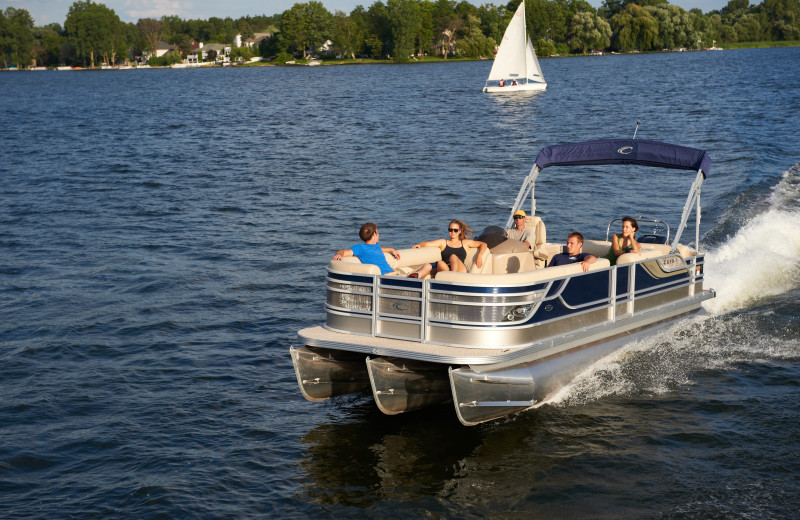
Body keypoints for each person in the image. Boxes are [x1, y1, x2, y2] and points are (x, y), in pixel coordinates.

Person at [409, 219, 487, 278]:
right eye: (450, 230)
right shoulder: (443, 242)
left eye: (455, 230)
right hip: (446, 269)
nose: (452, 232)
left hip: (460, 270)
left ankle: (452, 277)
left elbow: (483, 244)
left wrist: (479, 256)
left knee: (453, 256)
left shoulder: (465, 243)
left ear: (460, 231)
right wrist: (420, 245)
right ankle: (413, 278)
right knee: (438, 263)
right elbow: (426, 243)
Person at [332, 222, 400, 275]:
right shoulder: (361, 248)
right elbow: (343, 252)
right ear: (374, 235)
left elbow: (378, 249)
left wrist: (391, 250)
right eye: (377, 232)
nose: (379, 234)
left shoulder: (376, 245)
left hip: (393, 273)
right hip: (384, 277)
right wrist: (339, 254)